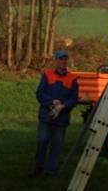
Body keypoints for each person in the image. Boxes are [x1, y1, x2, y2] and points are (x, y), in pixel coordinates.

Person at [31, 49, 80, 178]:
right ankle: (38, 166)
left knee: (57, 145)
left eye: (65, 59)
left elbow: (74, 98)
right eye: (60, 59)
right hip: (46, 116)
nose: (63, 61)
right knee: (42, 141)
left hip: (62, 118)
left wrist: (63, 106)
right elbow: (40, 93)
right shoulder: (47, 75)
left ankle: (50, 171)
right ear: (55, 61)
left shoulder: (72, 79)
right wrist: (51, 102)